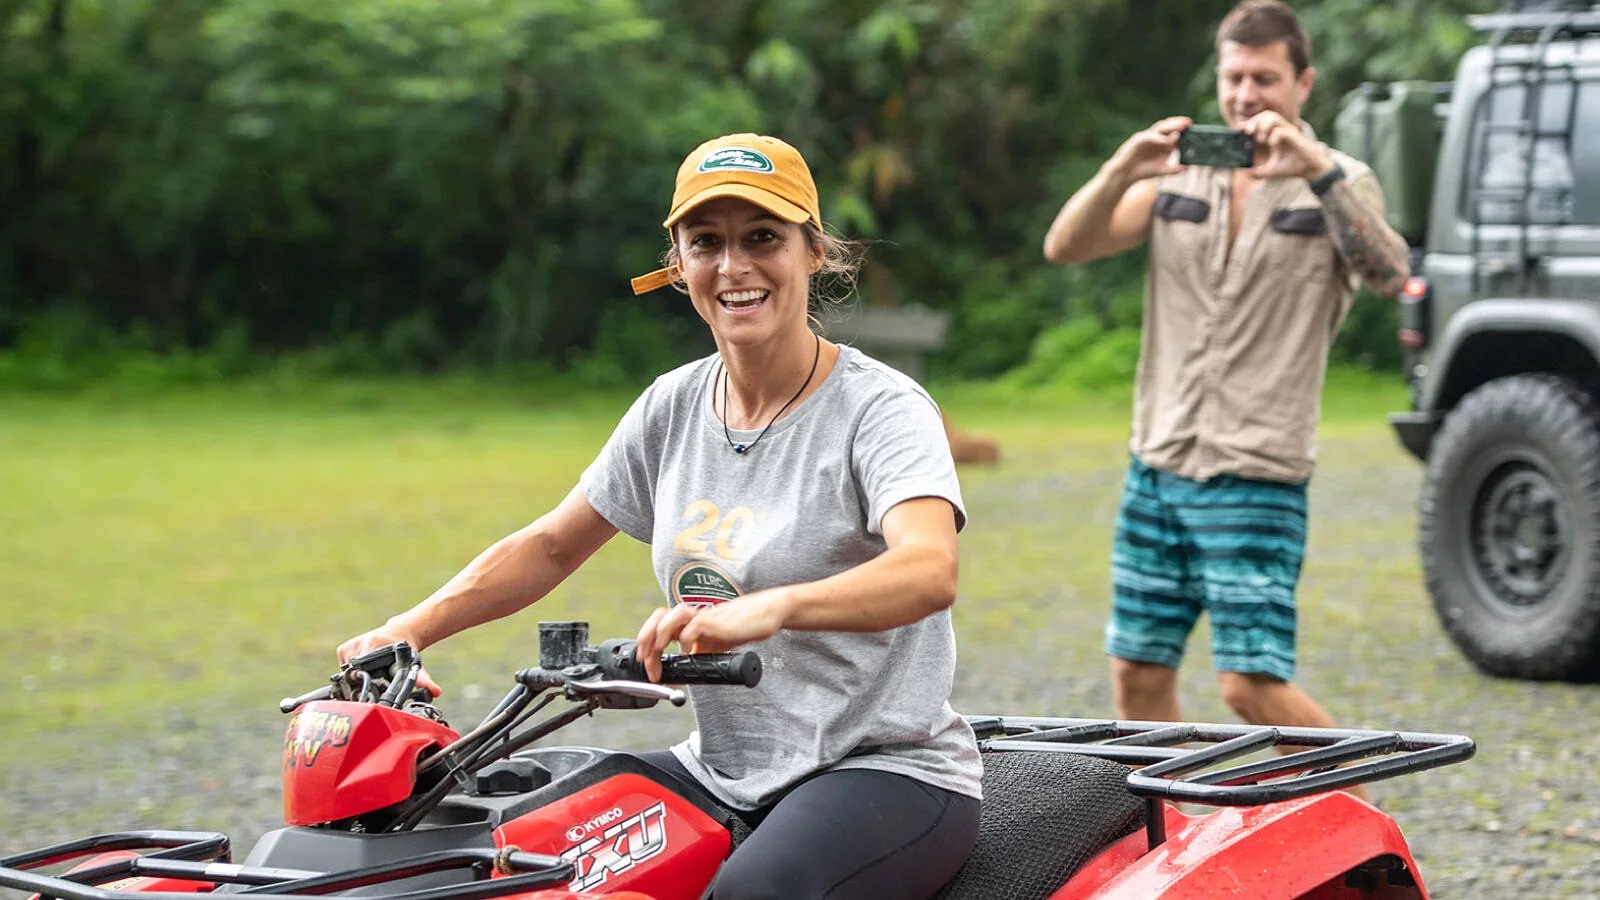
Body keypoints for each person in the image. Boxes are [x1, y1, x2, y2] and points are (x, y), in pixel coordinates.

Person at [337, 133, 981, 899]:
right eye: (706, 242)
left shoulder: (879, 409)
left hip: (885, 767)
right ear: (678, 266)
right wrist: (407, 630)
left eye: (762, 238)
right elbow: (550, 546)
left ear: (814, 252)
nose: (733, 267)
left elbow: (927, 569)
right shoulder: (672, 405)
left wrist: (770, 610)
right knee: (515, 857)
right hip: (721, 768)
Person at [1040, 0, 1409, 780]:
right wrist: (1119, 170)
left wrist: (1318, 170)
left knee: (1249, 686)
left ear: (1303, 83)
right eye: (1235, 77)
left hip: (1257, 471)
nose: (1248, 95)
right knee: (1136, 678)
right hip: (1158, 463)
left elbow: (1389, 271)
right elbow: (1065, 247)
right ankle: (1185, 833)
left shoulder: (1342, 181)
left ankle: (1368, 831)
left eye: (1266, 78)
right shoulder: (1184, 173)